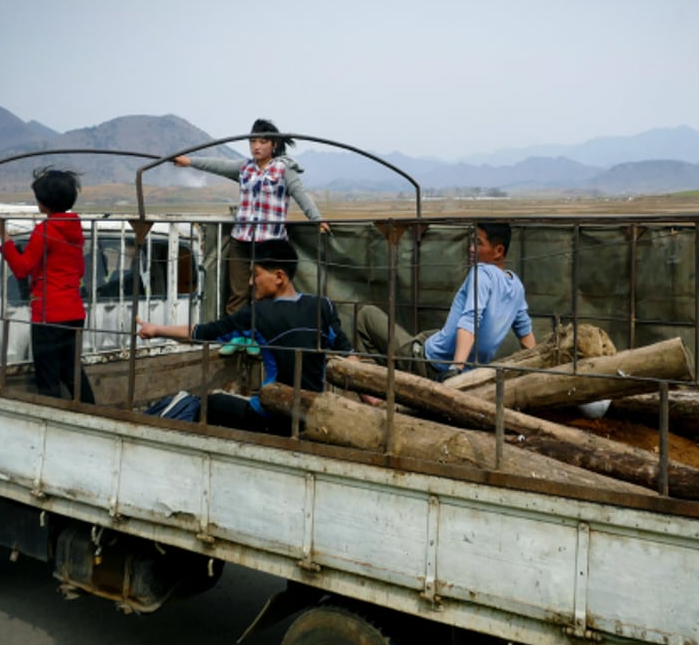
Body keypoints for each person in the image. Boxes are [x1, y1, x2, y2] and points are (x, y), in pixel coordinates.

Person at [135, 238, 353, 433]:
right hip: (313, 416)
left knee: (207, 403)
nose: (250, 282)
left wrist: (157, 330)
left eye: (255, 274)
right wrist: (372, 401)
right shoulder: (323, 306)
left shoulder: (258, 314)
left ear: (279, 277)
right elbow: (349, 357)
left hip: (272, 417)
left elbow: (202, 333)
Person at [173, 118, 328, 315]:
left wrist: (317, 219)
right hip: (242, 240)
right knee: (238, 292)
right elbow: (217, 165)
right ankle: (237, 336)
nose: (256, 147)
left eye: (263, 142)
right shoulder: (245, 168)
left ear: (274, 144)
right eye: (253, 142)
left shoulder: (283, 169)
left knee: (264, 292)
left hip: (270, 242)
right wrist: (189, 162)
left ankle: (260, 336)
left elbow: (300, 194)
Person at [356, 222, 536, 380]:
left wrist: (455, 369)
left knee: (365, 316)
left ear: (498, 251)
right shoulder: (516, 286)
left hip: (431, 365)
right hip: (464, 364)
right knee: (429, 335)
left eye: (478, 243)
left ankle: (393, 382)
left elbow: (470, 320)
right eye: (472, 242)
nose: (471, 249)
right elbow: (525, 334)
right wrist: (537, 366)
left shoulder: (481, 273)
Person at [0, 168, 95, 404]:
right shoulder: (75, 229)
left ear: (44, 203)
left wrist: (2, 233)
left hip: (48, 315)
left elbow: (22, 268)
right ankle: (94, 413)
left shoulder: (45, 230)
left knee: (48, 379)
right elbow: (80, 270)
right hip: (74, 312)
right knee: (73, 373)